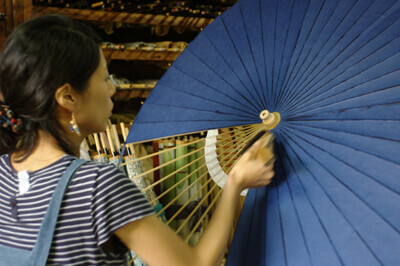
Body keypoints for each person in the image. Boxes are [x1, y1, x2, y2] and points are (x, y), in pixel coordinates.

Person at [0, 14, 274, 265]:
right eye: (105, 77)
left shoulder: (3, 172)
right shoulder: (98, 185)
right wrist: (235, 181)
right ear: (68, 97)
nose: (113, 88)